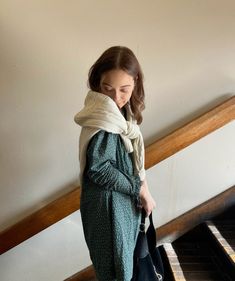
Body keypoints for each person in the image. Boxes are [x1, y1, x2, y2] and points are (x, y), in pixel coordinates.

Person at [74, 46, 156, 281]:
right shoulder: (103, 119)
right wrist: (138, 188)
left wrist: (143, 189)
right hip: (108, 211)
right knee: (116, 272)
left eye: (124, 90)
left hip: (117, 205)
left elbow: (132, 163)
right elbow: (99, 169)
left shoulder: (120, 116)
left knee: (121, 269)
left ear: (136, 81)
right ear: (97, 82)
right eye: (107, 88)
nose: (115, 98)